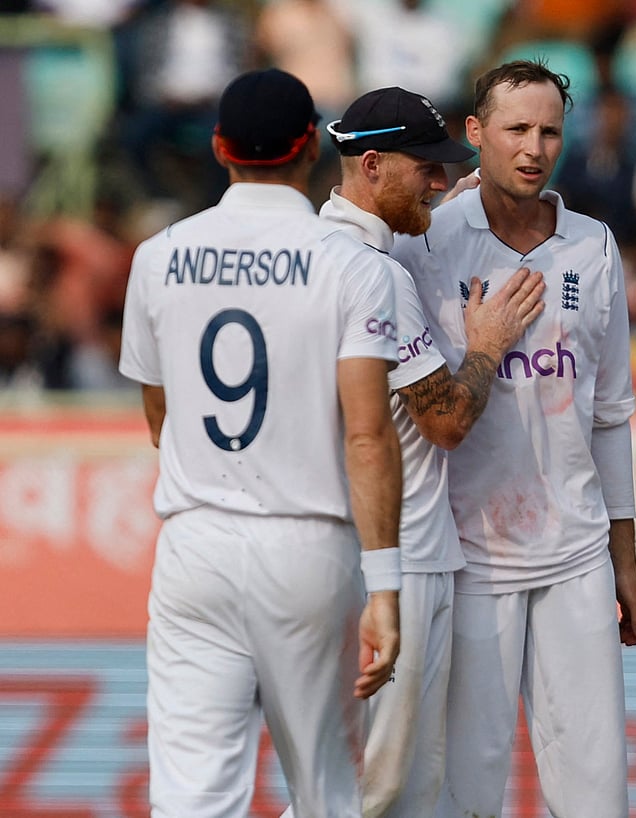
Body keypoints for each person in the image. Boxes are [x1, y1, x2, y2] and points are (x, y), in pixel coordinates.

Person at [118, 69, 403, 816]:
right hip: (308, 541)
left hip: (195, 540)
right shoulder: (352, 264)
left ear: (218, 148)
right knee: (327, 792)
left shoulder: (159, 255)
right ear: (311, 147)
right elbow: (368, 435)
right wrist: (386, 583)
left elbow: (161, 415)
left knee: (191, 792)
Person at [391, 59, 636, 818]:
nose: (533, 148)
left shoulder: (593, 244)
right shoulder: (427, 243)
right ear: (474, 134)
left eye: (548, 131)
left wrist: (626, 564)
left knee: (594, 796)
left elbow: (609, 414)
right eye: (515, 130)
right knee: (466, 793)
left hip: (576, 556)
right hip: (469, 557)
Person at [302, 85, 545, 818]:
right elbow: (442, 420)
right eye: (426, 168)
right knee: (372, 790)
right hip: (400, 558)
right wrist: (488, 346)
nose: (441, 182)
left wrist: (466, 194)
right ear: (372, 164)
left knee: (402, 790)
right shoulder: (376, 275)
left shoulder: (316, 252)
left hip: (348, 550)